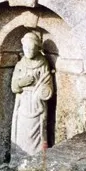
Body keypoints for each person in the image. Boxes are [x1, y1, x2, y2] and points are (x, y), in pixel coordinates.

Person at [10, 31, 53, 162]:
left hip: (36, 104)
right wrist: (22, 83)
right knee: (21, 131)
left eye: (32, 48)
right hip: (23, 103)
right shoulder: (20, 64)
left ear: (37, 49)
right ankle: (18, 158)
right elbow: (13, 86)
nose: (28, 51)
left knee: (38, 131)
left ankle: (36, 160)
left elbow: (47, 85)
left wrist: (40, 90)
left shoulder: (43, 63)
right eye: (26, 48)